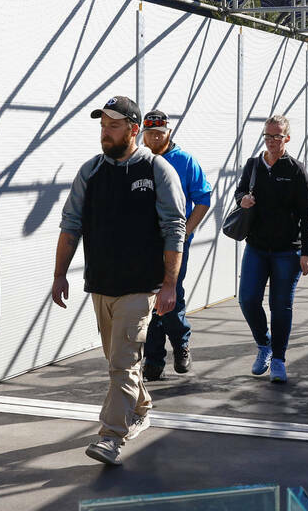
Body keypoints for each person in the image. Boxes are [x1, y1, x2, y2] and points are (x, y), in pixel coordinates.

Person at [50, 96, 186, 466]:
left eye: (113, 125)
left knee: (121, 364)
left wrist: (170, 285)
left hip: (140, 287)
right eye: (102, 126)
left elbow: (175, 229)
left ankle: (111, 436)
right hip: (101, 284)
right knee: (118, 359)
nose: (105, 132)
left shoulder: (158, 170)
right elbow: (70, 224)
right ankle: (142, 405)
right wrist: (60, 273)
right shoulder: (91, 172)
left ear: (133, 129)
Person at [235, 115, 308, 383]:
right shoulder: (253, 165)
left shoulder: (296, 170)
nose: (271, 141)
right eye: (267, 136)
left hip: (287, 251)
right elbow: (239, 192)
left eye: (277, 137)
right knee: (247, 299)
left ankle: (279, 359)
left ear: (287, 139)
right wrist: (243, 199)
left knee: (280, 306)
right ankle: (264, 345)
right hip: (256, 247)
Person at [140, 109, 212, 381]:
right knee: (149, 299)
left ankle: (180, 343)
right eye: (150, 132)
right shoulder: (138, 160)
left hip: (175, 244)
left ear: (168, 133)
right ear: (142, 134)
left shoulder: (184, 161)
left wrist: (185, 232)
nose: (155, 137)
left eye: (160, 132)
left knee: (170, 296)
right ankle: (154, 359)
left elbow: (203, 198)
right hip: (145, 245)